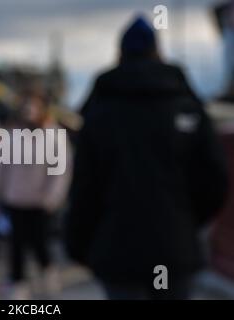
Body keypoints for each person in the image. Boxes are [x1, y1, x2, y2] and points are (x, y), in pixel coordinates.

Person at [65, 16, 229, 300]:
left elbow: (84, 190)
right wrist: (187, 221)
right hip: (174, 251)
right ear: (158, 52)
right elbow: (215, 180)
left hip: (118, 253)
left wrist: (78, 245)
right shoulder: (186, 106)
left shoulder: (100, 114)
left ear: (119, 55)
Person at [0, 86, 72, 299]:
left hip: (40, 202)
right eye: (26, 105)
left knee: (39, 243)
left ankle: (48, 276)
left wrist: (52, 198)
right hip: (14, 199)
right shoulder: (11, 133)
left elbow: (61, 170)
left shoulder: (53, 134)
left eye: (34, 105)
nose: (29, 110)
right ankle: (17, 285)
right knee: (16, 246)